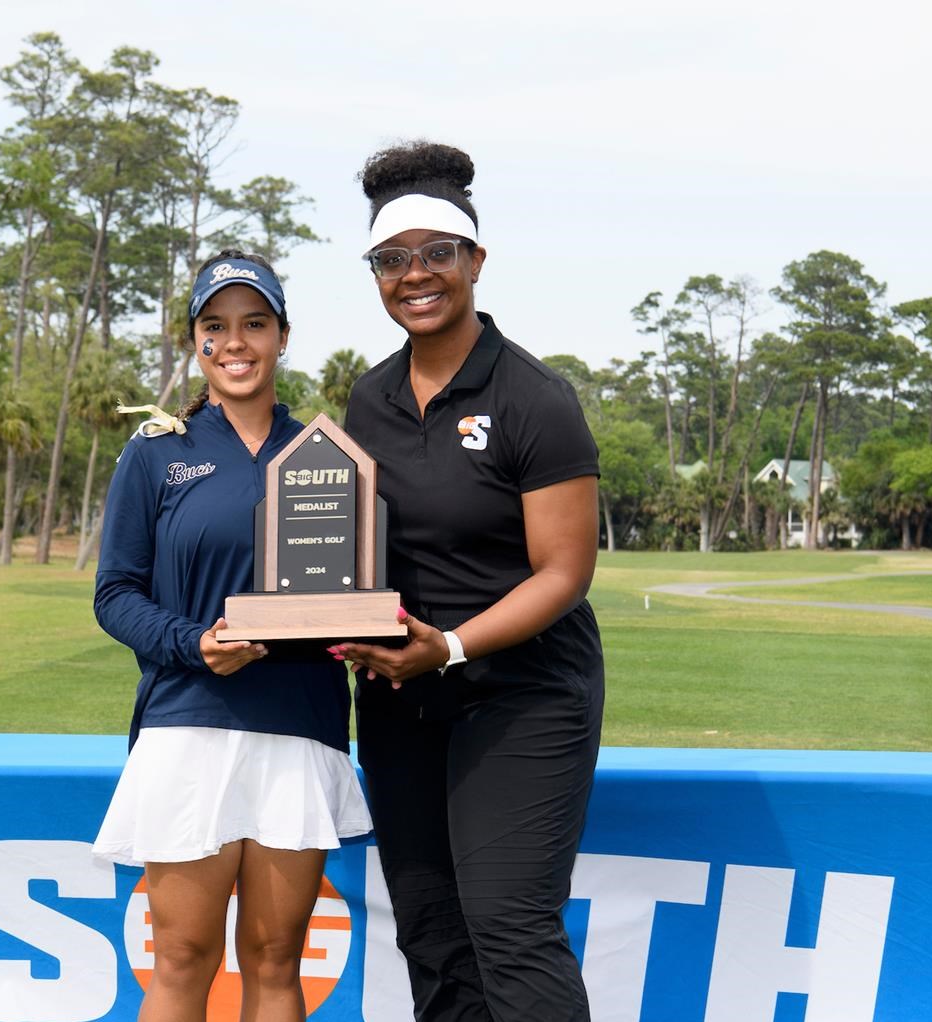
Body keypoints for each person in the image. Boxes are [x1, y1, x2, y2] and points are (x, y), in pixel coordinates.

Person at [329, 142, 605, 1022]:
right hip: (402, 701)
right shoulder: (367, 401)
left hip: (520, 694)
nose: (415, 275)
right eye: (392, 259)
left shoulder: (534, 398)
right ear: (376, 273)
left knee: (508, 925)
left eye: (436, 253)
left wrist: (446, 646)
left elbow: (565, 572)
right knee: (432, 930)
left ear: (475, 261)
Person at [92, 250, 371, 1022]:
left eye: (254, 323)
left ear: (282, 336)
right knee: (181, 958)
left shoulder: (328, 455)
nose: (235, 342)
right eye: (215, 326)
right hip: (190, 721)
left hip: (299, 724)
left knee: (277, 959)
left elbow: (354, 590)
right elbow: (115, 594)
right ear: (194, 341)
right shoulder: (158, 451)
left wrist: (363, 631)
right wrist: (193, 643)